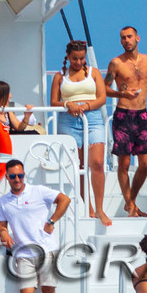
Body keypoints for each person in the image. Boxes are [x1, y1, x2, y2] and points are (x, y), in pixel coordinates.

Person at [0, 157, 71, 293]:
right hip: (23, 254)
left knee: (48, 292)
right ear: (7, 177)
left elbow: (64, 199)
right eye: (13, 176)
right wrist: (4, 234)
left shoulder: (38, 191)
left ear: (24, 175)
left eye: (20, 175)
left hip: (46, 250)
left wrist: (52, 221)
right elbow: (1, 226)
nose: (17, 179)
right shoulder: (3, 202)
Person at [104, 23, 147, 217]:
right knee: (123, 164)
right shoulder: (116, 63)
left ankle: (130, 200)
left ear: (137, 38)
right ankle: (131, 206)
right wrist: (121, 93)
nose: (126, 41)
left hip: (142, 115)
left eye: (129, 37)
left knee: (145, 164)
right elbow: (104, 89)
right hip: (123, 115)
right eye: (123, 38)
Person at [51, 40, 111, 226]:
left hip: (92, 118)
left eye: (82, 58)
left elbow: (102, 98)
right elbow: (53, 101)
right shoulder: (59, 76)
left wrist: (86, 105)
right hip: (68, 119)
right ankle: (88, 206)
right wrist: (67, 104)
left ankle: (100, 209)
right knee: (79, 166)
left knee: (98, 163)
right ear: (68, 57)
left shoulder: (93, 73)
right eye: (75, 59)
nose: (78, 62)